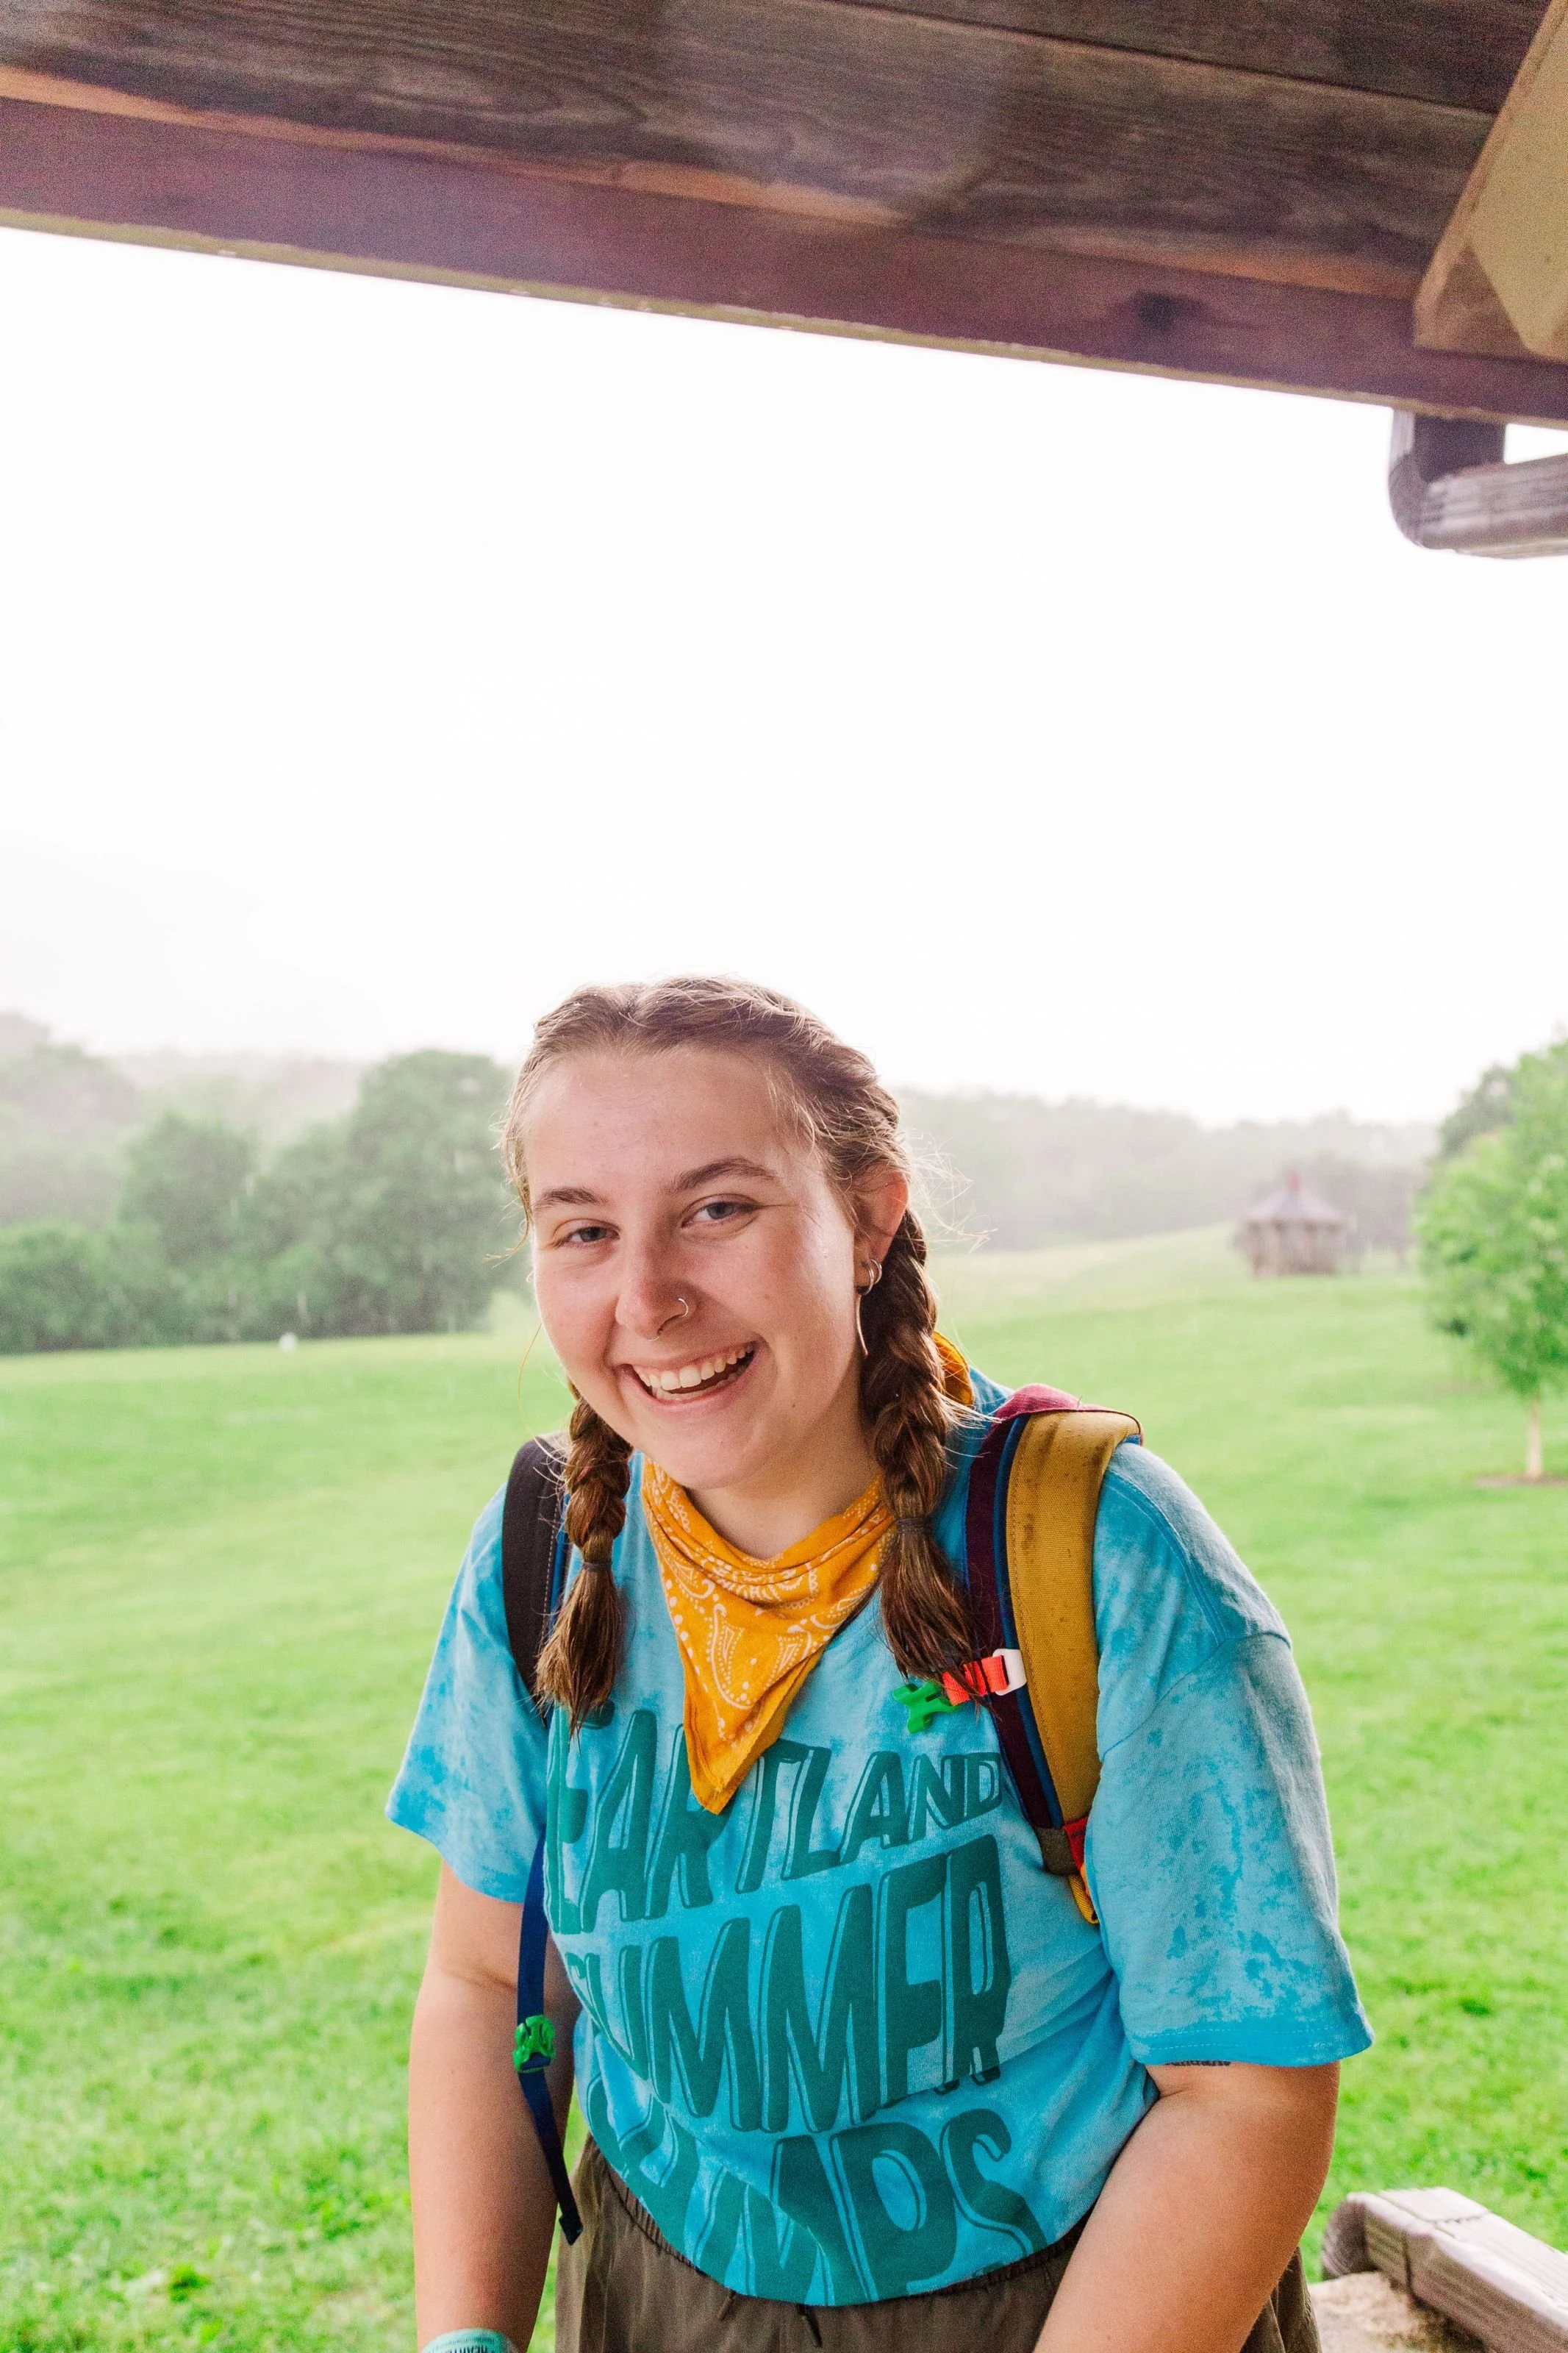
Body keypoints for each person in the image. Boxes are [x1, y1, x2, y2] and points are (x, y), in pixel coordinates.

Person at [388, 976, 1370, 2353]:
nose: (649, 1295)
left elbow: (1245, 2090)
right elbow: (489, 1986)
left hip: (1074, 2303)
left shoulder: (1096, 1555)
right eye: (585, 1230)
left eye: (717, 1209)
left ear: (866, 1215)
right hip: (657, 2298)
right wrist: (467, 2340)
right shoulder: (552, 1553)